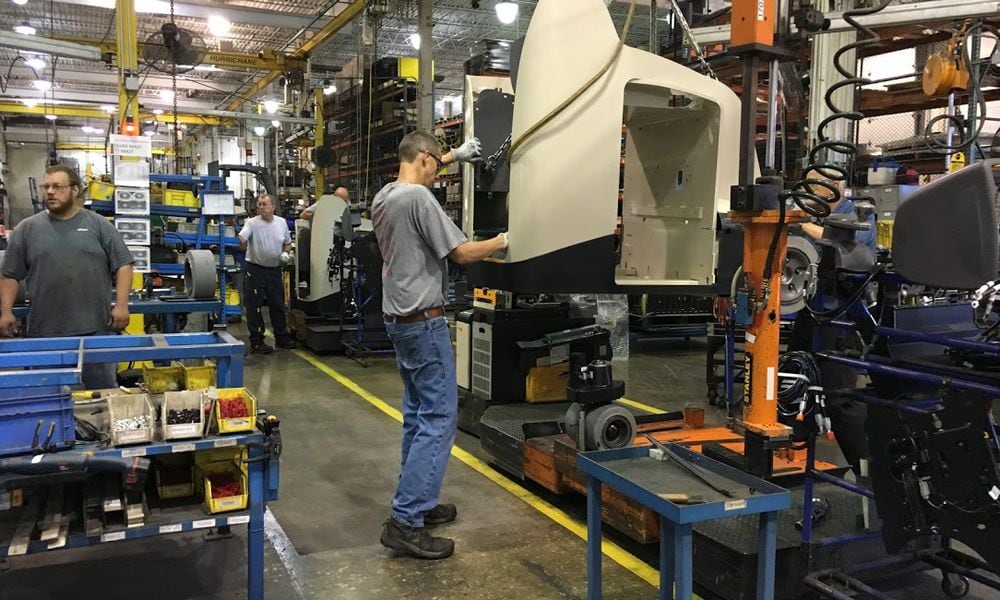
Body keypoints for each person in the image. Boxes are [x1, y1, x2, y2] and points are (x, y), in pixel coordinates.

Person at [374, 132, 506, 560]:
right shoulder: (418, 200)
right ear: (426, 161)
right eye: (437, 165)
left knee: (417, 416)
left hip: (399, 322)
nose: (437, 175)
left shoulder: (385, 196)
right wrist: (505, 239)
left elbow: (422, 160)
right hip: (424, 324)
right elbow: (464, 253)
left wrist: (453, 155)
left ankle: (419, 503)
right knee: (438, 419)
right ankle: (406, 521)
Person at [0, 164, 134, 389]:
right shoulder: (27, 229)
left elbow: (124, 264)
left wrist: (121, 305)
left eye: (57, 187)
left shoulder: (98, 225)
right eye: (47, 187)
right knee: (46, 399)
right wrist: (5, 312)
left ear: (74, 190)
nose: (50, 192)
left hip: (95, 330)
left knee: (101, 398)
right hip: (44, 334)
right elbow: (9, 274)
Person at [238, 194, 295, 354]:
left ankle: (282, 338)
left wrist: (286, 253)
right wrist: (234, 237)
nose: (261, 207)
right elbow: (241, 238)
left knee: (277, 304)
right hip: (255, 269)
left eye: (264, 204)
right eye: (259, 204)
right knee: (254, 306)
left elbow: (287, 243)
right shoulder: (251, 223)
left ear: (273, 206)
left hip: (274, 270)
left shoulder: (281, 223)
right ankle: (257, 341)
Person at [799, 178, 877, 251]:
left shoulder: (859, 214)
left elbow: (848, 242)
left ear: (834, 187)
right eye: (804, 184)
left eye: (813, 185)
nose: (805, 189)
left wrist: (803, 224)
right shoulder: (813, 217)